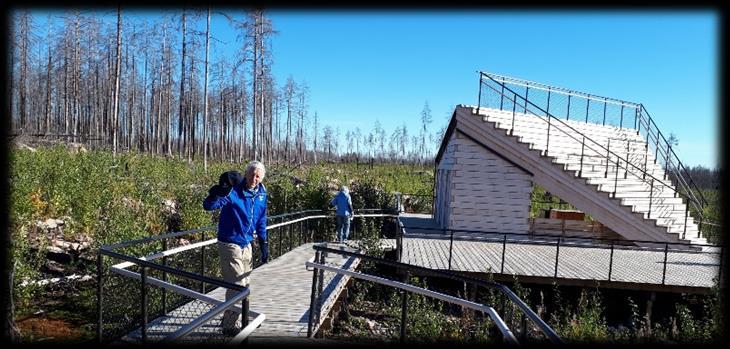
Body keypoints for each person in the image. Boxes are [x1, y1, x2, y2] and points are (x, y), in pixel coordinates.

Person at [203, 161, 269, 336]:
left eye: (257, 176)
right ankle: (229, 326)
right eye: (251, 174)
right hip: (229, 242)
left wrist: (264, 243)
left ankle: (236, 317)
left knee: (245, 284)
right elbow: (209, 206)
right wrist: (216, 193)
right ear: (245, 174)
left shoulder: (262, 194)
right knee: (237, 285)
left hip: (246, 243)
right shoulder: (234, 192)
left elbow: (261, 220)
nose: (254, 179)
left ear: (262, 178)